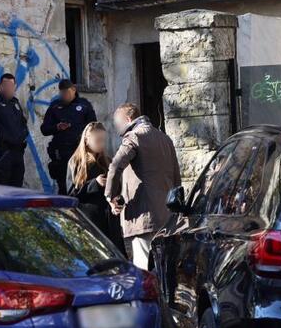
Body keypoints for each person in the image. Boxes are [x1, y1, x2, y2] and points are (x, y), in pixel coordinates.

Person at [104, 103, 181, 269]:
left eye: (117, 124)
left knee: (144, 269)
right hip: (166, 216)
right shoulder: (164, 138)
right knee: (165, 268)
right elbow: (176, 177)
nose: (117, 129)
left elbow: (115, 166)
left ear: (127, 119)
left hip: (144, 215)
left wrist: (110, 196)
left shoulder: (134, 137)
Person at [67, 122, 121, 248]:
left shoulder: (107, 161)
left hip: (110, 220)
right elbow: (72, 194)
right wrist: (94, 183)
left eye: (103, 140)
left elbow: (117, 187)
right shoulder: (76, 162)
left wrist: (116, 199)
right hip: (90, 220)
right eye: (98, 140)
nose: (101, 144)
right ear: (87, 140)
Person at [41, 79, 96, 194]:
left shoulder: (84, 105)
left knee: (80, 184)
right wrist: (57, 127)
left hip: (79, 151)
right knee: (63, 185)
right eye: (62, 93)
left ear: (74, 90)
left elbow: (93, 127)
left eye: (67, 92)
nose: (64, 96)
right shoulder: (55, 106)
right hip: (61, 153)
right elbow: (44, 129)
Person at [0, 73, 28, 187]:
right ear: (0, 86)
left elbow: (23, 123)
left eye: (11, 86)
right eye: (6, 85)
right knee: (2, 187)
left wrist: (23, 135)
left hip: (18, 153)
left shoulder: (15, 103)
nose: (9, 89)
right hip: (3, 153)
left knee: (17, 186)